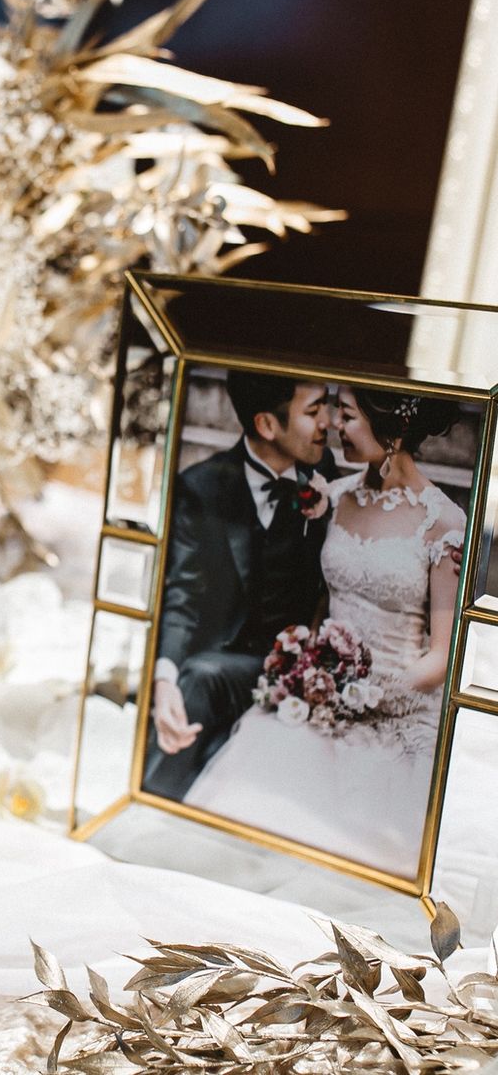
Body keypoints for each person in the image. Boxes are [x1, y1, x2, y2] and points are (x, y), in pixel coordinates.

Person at [183, 387, 465, 876]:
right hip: (320, 693)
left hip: (396, 708)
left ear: (392, 427)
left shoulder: (443, 522)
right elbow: (318, 603)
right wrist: (306, 672)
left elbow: (443, 656)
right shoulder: (334, 496)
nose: (335, 424)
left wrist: (368, 694)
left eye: (348, 415)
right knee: (247, 808)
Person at [144, 371, 339, 800]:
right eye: (313, 411)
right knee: (198, 678)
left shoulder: (322, 474)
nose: (328, 421)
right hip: (222, 657)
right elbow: (182, 596)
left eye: (327, 405)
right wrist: (163, 679)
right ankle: (152, 802)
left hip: (292, 664)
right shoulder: (200, 487)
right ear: (267, 424)